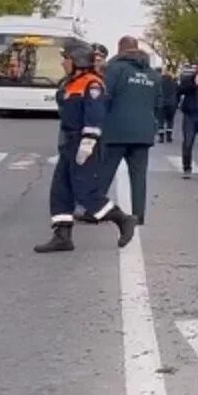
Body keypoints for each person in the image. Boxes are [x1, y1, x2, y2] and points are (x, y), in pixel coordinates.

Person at [33, 42, 137, 253]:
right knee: (60, 190)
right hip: (69, 142)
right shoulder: (71, 82)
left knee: (86, 193)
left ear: (77, 60)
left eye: (66, 59)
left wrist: (88, 143)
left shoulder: (92, 84)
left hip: (83, 143)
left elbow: (95, 116)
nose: (63, 62)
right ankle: (62, 236)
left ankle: (123, 219)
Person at [94, 36, 160, 225]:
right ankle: (138, 215)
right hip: (143, 132)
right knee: (139, 177)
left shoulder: (115, 69)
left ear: (120, 49)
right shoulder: (153, 75)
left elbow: (105, 97)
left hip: (116, 131)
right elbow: (159, 102)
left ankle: (95, 209)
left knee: (105, 173)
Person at [157, 65, 179, 143]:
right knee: (170, 120)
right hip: (171, 104)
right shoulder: (174, 83)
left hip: (161, 103)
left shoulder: (159, 82)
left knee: (161, 121)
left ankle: (161, 137)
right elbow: (178, 93)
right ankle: (169, 136)